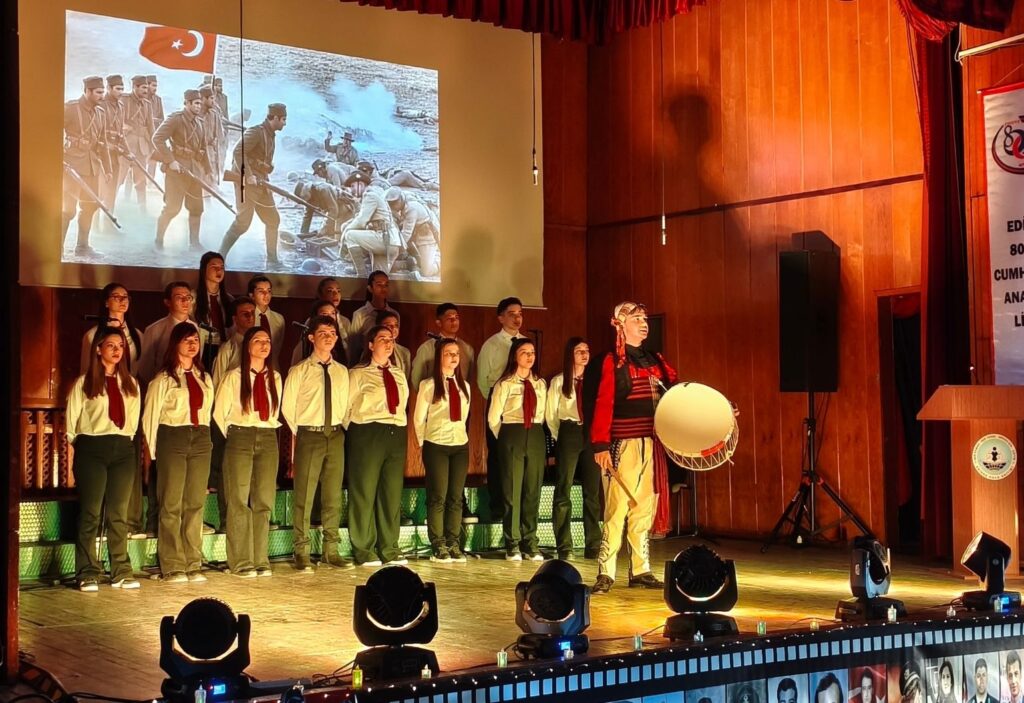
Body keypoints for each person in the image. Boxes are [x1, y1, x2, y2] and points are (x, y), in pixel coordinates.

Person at [590, 301, 677, 594]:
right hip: (623, 445)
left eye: (644, 318)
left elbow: (677, 395)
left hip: (652, 445)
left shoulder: (656, 361)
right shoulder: (611, 361)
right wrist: (600, 445)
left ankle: (641, 570)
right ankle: (606, 572)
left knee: (644, 508)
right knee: (617, 509)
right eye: (636, 318)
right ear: (620, 325)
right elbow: (603, 403)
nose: (643, 323)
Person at [65, 327, 141, 591]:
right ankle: (87, 571)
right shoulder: (84, 383)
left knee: (118, 513)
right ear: (98, 349)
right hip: (92, 447)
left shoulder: (131, 384)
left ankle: (121, 570)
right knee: (91, 512)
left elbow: (132, 423)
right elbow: (72, 422)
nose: (117, 350)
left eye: (120, 346)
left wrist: (124, 442)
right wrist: (81, 446)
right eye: (111, 345)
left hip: (122, 448)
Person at [141, 322, 213, 583]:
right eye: (187, 340)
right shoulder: (163, 379)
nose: (193, 344)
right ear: (175, 344)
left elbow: (208, 411)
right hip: (172, 436)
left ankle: (193, 562)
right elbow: (150, 417)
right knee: (171, 503)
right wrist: (154, 452)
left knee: (195, 502)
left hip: (200, 436)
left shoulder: (204, 377)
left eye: (195, 340)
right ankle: (172, 564)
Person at [281, 315, 350, 572]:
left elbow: (346, 405)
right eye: (322, 333)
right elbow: (288, 408)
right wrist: (304, 431)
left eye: (332, 333)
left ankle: (331, 550)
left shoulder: (341, 371)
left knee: (333, 495)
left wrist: (338, 428)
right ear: (311, 337)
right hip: (310, 434)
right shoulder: (300, 371)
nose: (328, 337)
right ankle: (301, 550)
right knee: (305, 495)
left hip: (336, 434)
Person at [213, 326, 282, 578]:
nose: (264, 345)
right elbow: (219, 414)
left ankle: (260, 558)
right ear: (248, 346)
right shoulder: (234, 377)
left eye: (267, 340)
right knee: (239, 500)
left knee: (263, 500)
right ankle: (241, 561)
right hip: (240, 435)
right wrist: (238, 434)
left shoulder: (275, 377)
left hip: (267, 436)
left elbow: (275, 411)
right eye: (258, 340)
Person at [345, 325, 410, 566]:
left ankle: (389, 548)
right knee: (364, 491)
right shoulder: (358, 374)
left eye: (391, 339)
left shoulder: (398, 373)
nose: (388, 343)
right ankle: (363, 549)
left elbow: (403, 404)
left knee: (391, 492)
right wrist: (360, 431)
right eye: (382, 339)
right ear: (371, 345)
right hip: (367, 432)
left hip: (395, 432)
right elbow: (345, 409)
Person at [487, 337, 546, 561]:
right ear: (514, 356)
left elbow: (544, 413)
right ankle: (512, 542)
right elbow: (494, 418)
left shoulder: (540, 383)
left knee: (533, 490)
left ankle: (530, 541)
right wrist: (506, 438)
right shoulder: (505, 384)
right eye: (524, 352)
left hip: (535, 433)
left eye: (532, 352)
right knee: (512, 490)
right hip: (512, 433)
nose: (530, 356)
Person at [414, 338, 471, 563]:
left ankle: (453, 542)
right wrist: (424, 444)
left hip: (459, 444)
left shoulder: (464, 386)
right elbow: (419, 419)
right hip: (436, 444)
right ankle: (438, 543)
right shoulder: (429, 385)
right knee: (438, 496)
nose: (454, 357)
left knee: (456, 497)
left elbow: (464, 417)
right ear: (440, 357)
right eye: (449, 353)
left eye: (456, 353)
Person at [546, 337, 601, 560]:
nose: (584, 354)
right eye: (579, 351)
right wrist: (561, 437)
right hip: (568, 431)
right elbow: (551, 415)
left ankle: (593, 544)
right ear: (570, 354)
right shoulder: (559, 381)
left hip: (591, 434)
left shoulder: (595, 380)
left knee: (592, 492)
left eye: (587, 350)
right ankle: (564, 545)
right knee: (563, 489)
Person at [477, 297, 526, 521]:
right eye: (511, 314)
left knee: (520, 457)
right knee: (498, 456)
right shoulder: (492, 345)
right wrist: (497, 401)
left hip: (522, 406)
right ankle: (498, 507)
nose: (517, 318)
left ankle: (520, 507)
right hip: (498, 404)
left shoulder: (525, 343)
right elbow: (482, 380)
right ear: (501, 318)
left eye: (520, 313)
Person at [220, 103, 287, 266]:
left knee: (273, 220)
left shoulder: (270, 135)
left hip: (262, 183)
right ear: (275, 118)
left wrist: (266, 170)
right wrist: (249, 175)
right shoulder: (256, 132)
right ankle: (219, 257)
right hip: (247, 183)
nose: (285, 123)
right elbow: (238, 152)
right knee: (243, 223)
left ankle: (272, 260)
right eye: (283, 119)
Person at [152, 89, 210, 251]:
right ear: (187, 103)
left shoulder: (200, 122)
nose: (198, 106)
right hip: (177, 171)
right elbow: (157, 139)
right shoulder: (175, 119)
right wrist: (171, 161)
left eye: (200, 103)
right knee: (172, 208)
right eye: (195, 103)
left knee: (197, 208)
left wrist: (208, 170)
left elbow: (203, 147)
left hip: (194, 172)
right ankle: (158, 241)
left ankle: (194, 243)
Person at [62, 76, 110, 257]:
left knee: (90, 206)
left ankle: (82, 247)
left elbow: (103, 143)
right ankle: (57, 248)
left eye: (103, 92)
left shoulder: (101, 113)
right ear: (87, 91)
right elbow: (52, 131)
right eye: (98, 92)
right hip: (71, 166)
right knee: (68, 210)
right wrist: (60, 158)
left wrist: (108, 168)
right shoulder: (70, 108)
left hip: (91, 167)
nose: (102, 95)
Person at [138, 282, 201, 384]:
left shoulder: (197, 328)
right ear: (167, 302)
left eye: (188, 297)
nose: (185, 301)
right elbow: (145, 368)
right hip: (162, 384)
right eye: (179, 297)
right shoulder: (154, 330)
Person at [340, 173, 399, 276]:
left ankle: (361, 274)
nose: (352, 190)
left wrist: (345, 232)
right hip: (389, 242)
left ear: (361, 185)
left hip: (384, 240)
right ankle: (410, 274)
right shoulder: (374, 194)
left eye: (353, 186)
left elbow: (361, 221)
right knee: (378, 275)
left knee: (350, 235)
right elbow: (360, 217)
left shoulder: (370, 196)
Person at [80, 283, 142, 375]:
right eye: (116, 297)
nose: (122, 300)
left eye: (125, 297)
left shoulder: (137, 334)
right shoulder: (92, 335)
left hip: (131, 382)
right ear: (106, 302)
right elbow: (85, 369)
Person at [411, 303, 475, 388]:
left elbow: (469, 379)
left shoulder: (467, 349)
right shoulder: (426, 348)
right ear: (439, 323)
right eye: (449, 318)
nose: (454, 321)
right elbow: (417, 380)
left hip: (460, 393)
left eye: (456, 318)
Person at [384, 187, 440, 279]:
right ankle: (416, 258)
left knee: (426, 272)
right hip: (415, 235)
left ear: (401, 199)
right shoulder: (404, 201)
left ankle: (440, 261)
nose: (392, 206)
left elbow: (406, 234)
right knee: (402, 240)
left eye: (394, 203)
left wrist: (394, 250)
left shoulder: (411, 208)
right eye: (390, 204)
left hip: (427, 237)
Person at [348, 271, 398, 365]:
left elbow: (395, 340)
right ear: (370, 288)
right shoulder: (360, 314)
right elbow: (354, 345)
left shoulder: (394, 314)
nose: (383, 288)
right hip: (366, 361)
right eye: (379, 284)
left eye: (386, 285)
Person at [120, 75, 154, 210]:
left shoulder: (147, 104)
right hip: (125, 146)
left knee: (141, 181)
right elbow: (115, 119)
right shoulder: (124, 100)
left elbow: (151, 127)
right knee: (118, 179)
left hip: (141, 148)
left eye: (147, 87)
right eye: (143, 88)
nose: (146, 90)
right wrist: (123, 126)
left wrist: (152, 147)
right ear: (134, 87)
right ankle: (110, 207)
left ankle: (142, 209)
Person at [97, 74, 126, 226]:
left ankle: (108, 224)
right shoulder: (101, 105)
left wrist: (128, 151)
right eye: (117, 89)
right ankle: (95, 225)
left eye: (122, 89)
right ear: (109, 88)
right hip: (101, 154)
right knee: (99, 190)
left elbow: (121, 133)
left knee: (112, 191)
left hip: (115, 155)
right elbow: (97, 131)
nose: (120, 92)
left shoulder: (121, 107)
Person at [194, 252, 231, 369]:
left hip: (225, 353)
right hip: (202, 352)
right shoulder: (193, 298)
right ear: (203, 270)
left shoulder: (229, 300)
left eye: (222, 267)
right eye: (214, 267)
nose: (219, 270)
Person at [291, 299, 347, 367]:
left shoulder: (340, 340)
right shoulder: (304, 345)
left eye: (333, 313)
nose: (330, 317)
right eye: (324, 314)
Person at [246, 275, 285, 369]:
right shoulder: (247, 318)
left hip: (272, 367)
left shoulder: (279, 319)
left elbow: (277, 347)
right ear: (252, 295)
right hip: (250, 366)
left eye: (269, 291)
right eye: (261, 291)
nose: (266, 294)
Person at [376, 309, 411, 385]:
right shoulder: (373, 350)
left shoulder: (405, 352)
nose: (393, 328)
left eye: (396, 325)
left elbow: (406, 379)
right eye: (389, 325)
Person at [199, 85, 225, 185]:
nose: (213, 101)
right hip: (199, 154)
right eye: (211, 98)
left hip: (211, 154)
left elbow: (220, 136)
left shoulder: (214, 114)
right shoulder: (195, 115)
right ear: (203, 99)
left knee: (210, 182)